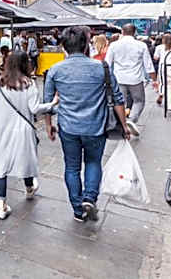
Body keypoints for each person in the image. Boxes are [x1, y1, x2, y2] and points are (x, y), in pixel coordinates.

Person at [44, 26, 130, 222]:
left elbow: (47, 101)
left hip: (68, 127)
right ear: (85, 45)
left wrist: (48, 125)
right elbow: (118, 99)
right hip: (96, 127)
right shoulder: (101, 68)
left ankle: (77, 209)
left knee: (72, 167)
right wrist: (124, 126)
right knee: (93, 162)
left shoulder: (55, 70)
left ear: (64, 46)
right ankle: (90, 197)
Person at [0, 50, 58, 219]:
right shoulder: (29, 84)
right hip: (23, 131)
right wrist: (52, 104)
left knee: (0, 167)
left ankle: (1, 206)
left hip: (1, 129)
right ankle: (29, 189)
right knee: (26, 161)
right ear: (24, 64)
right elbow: (35, 109)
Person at [104, 23, 154, 137]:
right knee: (139, 101)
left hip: (119, 78)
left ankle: (123, 123)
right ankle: (132, 119)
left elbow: (107, 63)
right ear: (135, 32)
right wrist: (154, 80)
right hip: (135, 78)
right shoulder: (141, 45)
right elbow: (148, 64)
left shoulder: (114, 45)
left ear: (122, 32)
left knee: (120, 102)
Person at [156, 34, 171, 106]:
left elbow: (155, 57)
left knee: (162, 82)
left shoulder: (159, 47)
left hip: (163, 65)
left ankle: (161, 94)